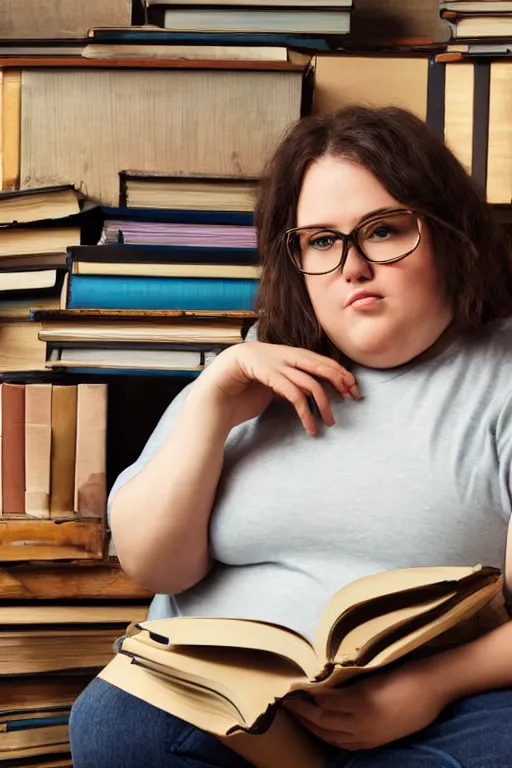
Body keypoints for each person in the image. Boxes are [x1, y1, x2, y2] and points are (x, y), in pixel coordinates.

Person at [70, 105, 512, 768]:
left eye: (384, 230)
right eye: (323, 241)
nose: (351, 267)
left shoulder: (500, 377)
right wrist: (213, 406)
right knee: (114, 726)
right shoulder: (255, 366)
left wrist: (426, 687)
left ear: (451, 235)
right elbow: (156, 567)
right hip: (229, 713)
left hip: (428, 714)